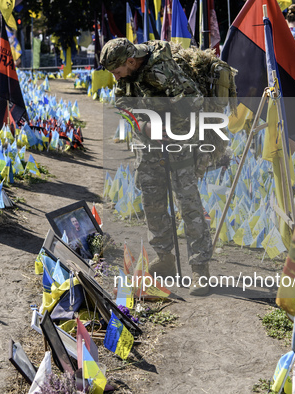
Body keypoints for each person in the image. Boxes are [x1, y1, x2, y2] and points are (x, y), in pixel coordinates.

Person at [99, 38, 213, 296]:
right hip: (148, 141)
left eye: (118, 72)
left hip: (179, 140)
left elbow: (195, 102)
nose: (116, 77)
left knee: (188, 202)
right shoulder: (125, 76)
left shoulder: (162, 71)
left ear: (130, 61)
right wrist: (144, 124)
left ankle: (200, 268)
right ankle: (165, 258)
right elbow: (122, 105)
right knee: (152, 198)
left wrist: (169, 123)